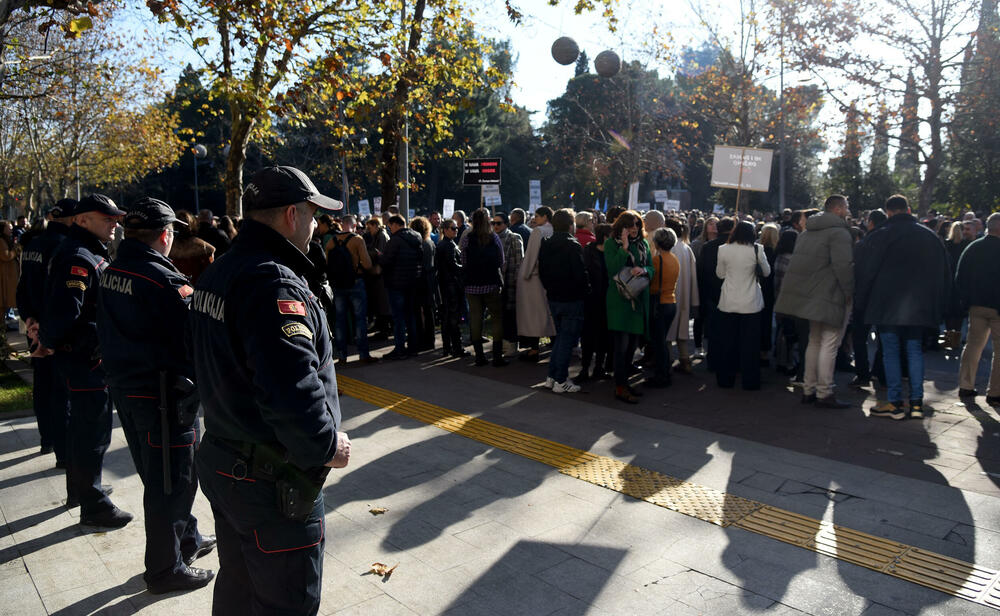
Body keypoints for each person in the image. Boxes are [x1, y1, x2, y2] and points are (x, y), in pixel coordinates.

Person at [189, 166, 351, 615]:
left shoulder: (220, 271)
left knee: (240, 591)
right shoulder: (273, 283)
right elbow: (292, 389)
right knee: (285, 602)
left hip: (227, 460)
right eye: (314, 214)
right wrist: (326, 445)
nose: (317, 225)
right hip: (271, 483)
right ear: (290, 215)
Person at [95, 197, 216, 594]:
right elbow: (198, 339)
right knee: (173, 484)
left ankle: (185, 542)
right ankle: (164, 570)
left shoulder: (112, 270)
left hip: (129, 392)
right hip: (164, 398)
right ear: (165, 235)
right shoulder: (165, 281)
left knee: (159, 476)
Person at [38, 194, 134, 528]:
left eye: (115, 218)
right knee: (91, 433)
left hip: (85, 357)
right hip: (85, 359)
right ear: (82, 220)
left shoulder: (88, 252)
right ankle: (93, 504)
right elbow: (67, 313)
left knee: (86, 428)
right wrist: (85, 341)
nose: (114, 224)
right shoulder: (79, 257)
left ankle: (82, 491)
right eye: (107, 218)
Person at [855, 194, 951, 420]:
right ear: (908, 210)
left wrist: (861, 303)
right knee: (914, 350)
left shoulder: (879, 236)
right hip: (919, 306)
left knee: (890, 351)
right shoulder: (930, 237)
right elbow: (944, 273)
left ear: (888, 212)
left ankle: (895, 403)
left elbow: (865, 272)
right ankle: (916, 403)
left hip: (886, 305)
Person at [774, 196, 854, 408]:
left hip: (810, 295)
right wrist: (849, 291)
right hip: (830, 294)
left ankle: (809, 388)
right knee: (829, 343)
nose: (848, 210)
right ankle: (824, 391)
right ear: (837, 209)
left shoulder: (807, 232)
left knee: (814, 341)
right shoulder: (839, 233)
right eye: (846, 206)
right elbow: (844, 266)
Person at [16, 200, 74, 465]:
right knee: (61, 392)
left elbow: (23, 287)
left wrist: (29, 319)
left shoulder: (33, 244)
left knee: (43, 385)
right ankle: (63, 452)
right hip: (51, 330)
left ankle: (46, 439)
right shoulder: (63, 247)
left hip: (35, 327)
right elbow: (57, 294)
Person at [714, 220, 771, 390]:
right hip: (751, 303)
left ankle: (725, 379)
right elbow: (767, 272)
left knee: (727, 342)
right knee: (750, 345)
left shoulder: (723, 249)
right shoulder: (757, 249)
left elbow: (720, 274)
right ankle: (750, 381)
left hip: (728, 301)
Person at [538, 208, 589, 392]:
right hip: (571, 298)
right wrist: (586, 291)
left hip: (553, 296)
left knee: (560, 338)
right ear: (570, 225)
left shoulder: (546, 243)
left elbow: (541, 271)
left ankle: (552, 376)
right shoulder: (572, 245)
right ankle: (560, 380)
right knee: (567, 340)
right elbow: (579, 274)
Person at [605, 210, 653, 403]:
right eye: (630, 225)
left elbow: (651, 267)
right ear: (621, 227)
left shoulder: (643, 244)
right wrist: (624, 247)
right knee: (621, 347)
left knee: (632, 346)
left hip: (638, 300)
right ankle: (620, 387)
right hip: (619, 301)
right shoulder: (611, 244)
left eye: (637, 225)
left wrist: (644, 269)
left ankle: (624, 382)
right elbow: (612, 268)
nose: (634, 229)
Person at [955, 212, 1000, 405]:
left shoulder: (974, 247)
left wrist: (966, 300)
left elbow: (960, 276)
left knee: (973, 345)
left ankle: (966, 385)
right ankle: (995, 392)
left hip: (976, 305)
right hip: (998, 307)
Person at [327, 216, 377, 364]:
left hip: (338, 285)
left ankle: (342, 356)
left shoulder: (331, 242)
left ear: (342, 225)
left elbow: (328, 264)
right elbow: (367, 264)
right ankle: (363, 354)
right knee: (360, 319)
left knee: (340, 320)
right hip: (355, 282)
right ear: (354, 225)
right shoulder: (357, 240)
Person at [461, 208, 507, 367]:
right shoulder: (494, 237)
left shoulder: (467, 238)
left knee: (475, 319)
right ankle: (497, 356)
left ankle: (479, 356)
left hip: (472, 284)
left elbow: (463, 260)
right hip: (491, 283)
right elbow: (501, 261)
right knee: (496, 319)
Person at [380, 214, 424, 359]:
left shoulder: (395, 240)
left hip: (396, 283)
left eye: (390, 226)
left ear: (396, 225)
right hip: (412, 283)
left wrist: (380, 256)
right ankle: (413, 347)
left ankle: (399, 349)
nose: (389, 229)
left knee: (398, 318)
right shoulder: (417, 237)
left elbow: (386, 261)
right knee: (410, 316)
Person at [516, 206, 556, 361]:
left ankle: (534, 349)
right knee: (549, 313)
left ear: (545, 217)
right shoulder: (555, 230)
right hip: (551, 277)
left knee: (533, 315)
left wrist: (524, 274)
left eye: (537, 216)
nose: (534, 219)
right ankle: (554, 343)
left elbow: (531, 256)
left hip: (535, 278)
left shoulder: (538, 232)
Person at [698, 217, 735, 372]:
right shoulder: (736, 247)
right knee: (730, 331)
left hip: (711, 294)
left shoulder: (708, 247)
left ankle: (713, 362)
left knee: (714, 332)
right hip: (732, 293)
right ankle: (729, 361)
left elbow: (701, 272)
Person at [663, 218, 699, 374]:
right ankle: (685, 360)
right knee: (681, 330)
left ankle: (668, 360)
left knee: (667, 331)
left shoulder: (666, 248)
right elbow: (693, 276)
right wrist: (694, 298)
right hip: (684, 295)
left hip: (668, 294)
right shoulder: (686, 248)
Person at [579, 223, 613, 381]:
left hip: (607, 300)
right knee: (588, 335)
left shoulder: (613, 252)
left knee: (603, 335)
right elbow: (583, 272)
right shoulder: (589, 250)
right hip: (592, 300)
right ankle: (585, 368)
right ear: (605, 236)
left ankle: (599, 367)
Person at [648, 227, 680, 388]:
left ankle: (662, 375)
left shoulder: (656, 260)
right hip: (670, 303)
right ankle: (664, 372)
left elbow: (651, 284)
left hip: (659, 303)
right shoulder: (674, 259)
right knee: (662, 341)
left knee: (658, 342)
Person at [492, 212, 523, 354]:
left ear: (506, 224)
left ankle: (511, 344)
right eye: (493, 223)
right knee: (498, 315)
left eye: (499, 223)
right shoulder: (491, 238)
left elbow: (519, 262)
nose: (496, 226)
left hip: (510, 282)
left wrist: (517, 282)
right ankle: (500, 344)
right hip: (495, 283)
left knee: (510, 315)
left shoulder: (514, 238)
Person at [436, 219, 465, 357]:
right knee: (453, 318)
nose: (456, 230)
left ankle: (447, 347)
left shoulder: (444, 244)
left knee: (447, 319)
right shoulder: (448, 245)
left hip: (446, 285)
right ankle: (456, 348)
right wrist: (465, 267)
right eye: (453, 228)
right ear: (445, 230)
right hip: (451, 286)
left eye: (456, 228)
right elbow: (453, 265)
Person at [410, 216, 437, 351]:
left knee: (420, 311)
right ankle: (429, 340)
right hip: (430, 280)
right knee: (428, 311)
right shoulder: (430, 242)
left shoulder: (421, 244)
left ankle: (423, 339)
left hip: (421, 280)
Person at [169, 210, 216, 283]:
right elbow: (211, 275)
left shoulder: (167, 248)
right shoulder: (203, 248)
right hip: (197, 290)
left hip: (175, 289)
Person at [0, 220, 21, 343]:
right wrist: (16, 250)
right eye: (8, 227)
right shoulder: (1, 241)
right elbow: (6, 255)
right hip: (3, 279)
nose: (11, 229)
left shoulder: (6, 240)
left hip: (6, 278)